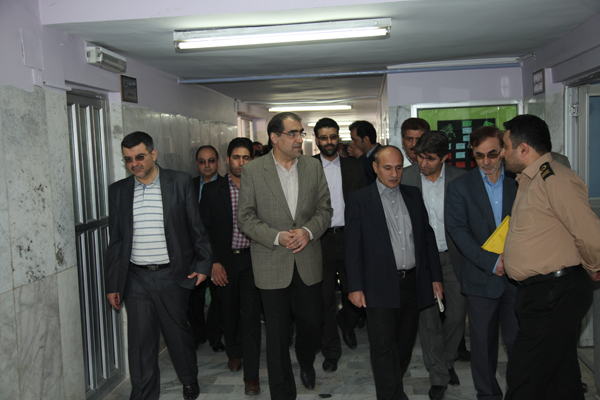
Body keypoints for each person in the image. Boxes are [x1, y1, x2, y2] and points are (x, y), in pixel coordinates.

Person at [105, 131, 212, 400]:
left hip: (171, 275)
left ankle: (188, 379)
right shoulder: (118, 191)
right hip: (135, 278)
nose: (134, 164)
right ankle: (143, 395)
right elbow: (116, 241)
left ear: (153, 154)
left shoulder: (179, 182)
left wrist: (203, 264)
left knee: (177, 335)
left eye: (139, 157)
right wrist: (113, 284)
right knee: (140, 342)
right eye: (128, 159)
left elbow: (196, 227)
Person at [502, 114, 600, 400]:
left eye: (506, 146)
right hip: (541, 292)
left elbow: (589, 232)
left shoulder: (554, 179)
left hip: (554, 293)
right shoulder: (529, 179)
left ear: (523, 148)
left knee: (524, 379)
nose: (503, 153)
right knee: (561, 378)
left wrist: (594, 266)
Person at [237, 112, 333, 399]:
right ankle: (282, 392)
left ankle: (306, 361)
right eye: (292, 133)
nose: (298, 139)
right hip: (271, 262)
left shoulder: (313, 166)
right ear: (274, 138)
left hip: (307, 260)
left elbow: (325, 209)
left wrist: (308, 231)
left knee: (310, 325)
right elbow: (245, 217)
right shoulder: (254, 171)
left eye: (300, 133)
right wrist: (276, 236)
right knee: (277, 334)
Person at [345, 145, 443, 400]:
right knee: (382, 346)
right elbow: (352, 247)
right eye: (387, 168)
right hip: (377, 284)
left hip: (412, 282)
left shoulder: (413, 195)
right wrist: (355, 287)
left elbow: (427, 239)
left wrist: (435, 278)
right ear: (375, 167)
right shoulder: (359, 199)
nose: (394, 174)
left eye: (398, 168)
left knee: (404, 343)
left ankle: (392, 388)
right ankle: (391, 395)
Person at [445, 126, 519, 400]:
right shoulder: (460, 187)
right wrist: (492, 262)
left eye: (492, 154)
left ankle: (519, 392)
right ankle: (488, 395)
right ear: (472, 154)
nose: (486, 161)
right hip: (481, 276)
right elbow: (458, 232)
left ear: (503, 151)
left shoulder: (519, 183)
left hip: (518, 276)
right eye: (479, 155)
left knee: (518, 341)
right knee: (483, 345)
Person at [401, 131, 466, 400]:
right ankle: (438, 374)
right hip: (422, 259)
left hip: (454, 256)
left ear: (445, 157)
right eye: (419, 157)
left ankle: (447, 360)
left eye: (430, 159)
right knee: (428, 320)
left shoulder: (461, 179)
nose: (423, 163)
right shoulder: (405, 177)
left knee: (457, 315)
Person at [199, 137, 262, 395]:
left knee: (251, 315)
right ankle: (234, 352)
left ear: (252, 160)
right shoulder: (212, 191)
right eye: (236, 157)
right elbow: (202, 231)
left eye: (246, 157)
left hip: (253, 260)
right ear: (227, 160)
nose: (241, 163)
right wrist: (213, 262)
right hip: (224, 261)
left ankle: (252, 376)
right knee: (228, 311)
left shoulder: (259, 187)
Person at [312, 118, 367, 372]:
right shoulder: (307, 167)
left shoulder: (354, 167)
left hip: (349, 238)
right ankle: (331, 350)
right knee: (324, 299)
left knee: (353, 291)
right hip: (319, 241)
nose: (329, 142)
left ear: (339, 137)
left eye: (333, 136)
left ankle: (346, 323)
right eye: (324, 137)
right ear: (316, 140)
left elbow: (364, 204)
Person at [190, 145, 225, 352]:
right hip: (193, 252)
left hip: (218, 250)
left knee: (219, 296)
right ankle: (198, 334)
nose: (207, 165)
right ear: (197, 164)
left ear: (218, 162)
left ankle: (215, 336)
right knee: (193, 297)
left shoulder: (226, 186)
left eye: (211, 161)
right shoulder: (189, 186)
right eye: (202, 161)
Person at [348, 120, 380, 184]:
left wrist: (360, 157)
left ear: (366, 139)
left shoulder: (383, 154)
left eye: (354, 140)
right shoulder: (357, 156)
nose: (352, 144)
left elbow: (376, 176)